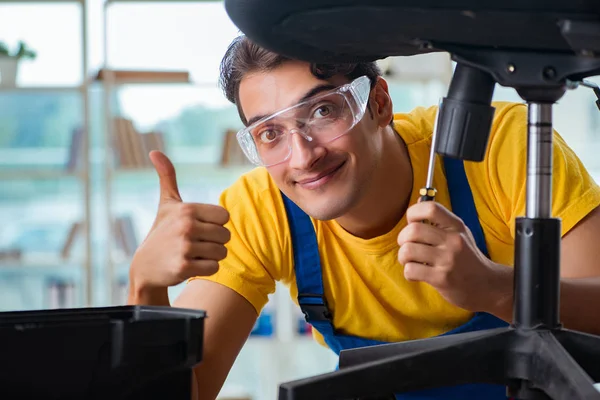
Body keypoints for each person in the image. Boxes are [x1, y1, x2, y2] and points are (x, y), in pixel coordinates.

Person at [128, 35, 600, 400]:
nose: (302, 157)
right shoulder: (260, 209)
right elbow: (186, 392)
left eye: (323, 110)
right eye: (270, 133)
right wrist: (145, 288)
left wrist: (494, 287)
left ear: (379, 104)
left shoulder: (498, 145)